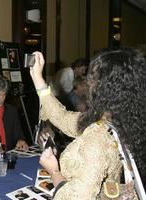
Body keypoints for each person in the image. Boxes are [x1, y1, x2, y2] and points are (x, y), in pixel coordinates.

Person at [29, 49, 146, 199]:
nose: (88, 83)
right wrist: (37, 78)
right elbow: (62, 117)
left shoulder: (98, 137)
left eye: (93, 78)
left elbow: (77, 197)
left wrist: (54, 172)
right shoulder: (122, 121)